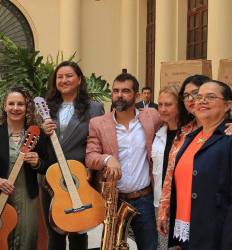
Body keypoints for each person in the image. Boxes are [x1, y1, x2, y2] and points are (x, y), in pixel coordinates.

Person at [86, 73, 162, 250]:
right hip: (114, 201)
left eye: (125, 91)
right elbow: (90, 156)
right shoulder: (98, 123)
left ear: (137, 96)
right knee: (112, 247)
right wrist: (107, 159)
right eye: (116, 91)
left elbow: (176, 121)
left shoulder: (151, 117)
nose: (119, 95)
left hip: (144, 198)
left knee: (149, 247)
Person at [40, 61, 104, 250]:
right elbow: (38, 146)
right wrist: (42, 132)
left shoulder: (94, 108)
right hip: (51, 180)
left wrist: (90, 170)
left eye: (69, 76)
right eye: (59, 77)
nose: (63, 80)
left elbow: (97, 143)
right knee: (55, 232)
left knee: (78, 232)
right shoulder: (45, 107)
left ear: (79, 80)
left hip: (79, 179)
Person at [165, 81, 232, 249]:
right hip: (186, 232)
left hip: (215, 234)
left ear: (227, 105)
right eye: (199, 97)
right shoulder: (190, 138)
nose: (202, 101)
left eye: (211, 97)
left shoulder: (229, 138)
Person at [0, 86, 49, 250]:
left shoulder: (37, 134)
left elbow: (49, 165)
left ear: (27, 107)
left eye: (21, 104)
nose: (16, 108)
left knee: (27, 240)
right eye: (11, 103)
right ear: (4, 106)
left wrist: (37, 162)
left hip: (28, 196)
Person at [151, 84, 180, 249]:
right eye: (160, 104)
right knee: (163, 246)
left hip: (181, 204)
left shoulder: (190, 134)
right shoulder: (158, 133)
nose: (163, 109)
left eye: (168, 104)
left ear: (179, 106)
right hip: (160, 202)